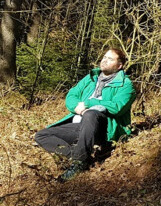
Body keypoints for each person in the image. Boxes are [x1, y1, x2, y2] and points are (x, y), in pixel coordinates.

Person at [35, 48, 135, 181]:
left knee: (91, 114)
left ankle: (78, 164)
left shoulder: (126, 84)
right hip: (82, 125)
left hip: (105, 128)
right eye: (104, 57)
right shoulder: (90, 78)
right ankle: (79, 156)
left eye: (110, 59)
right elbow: (71, 95)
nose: (104, 60)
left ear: (119, 65)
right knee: (42, 135)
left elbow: (117, 106)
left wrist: (88, 104)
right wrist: (78, 107)